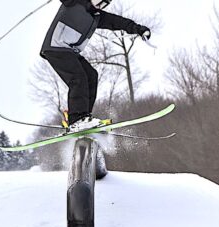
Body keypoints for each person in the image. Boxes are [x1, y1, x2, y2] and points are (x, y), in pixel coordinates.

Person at [40, 0, 151, 132]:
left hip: (69, 50)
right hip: (55, 47)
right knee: (78, 77)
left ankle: (84, 117)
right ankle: (77, 119)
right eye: (100, 2)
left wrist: (138, 29)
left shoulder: (96, 15)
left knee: (91, 75)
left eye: (104, 4)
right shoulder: (74, 2)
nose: (100, 6)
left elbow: (117, 21)